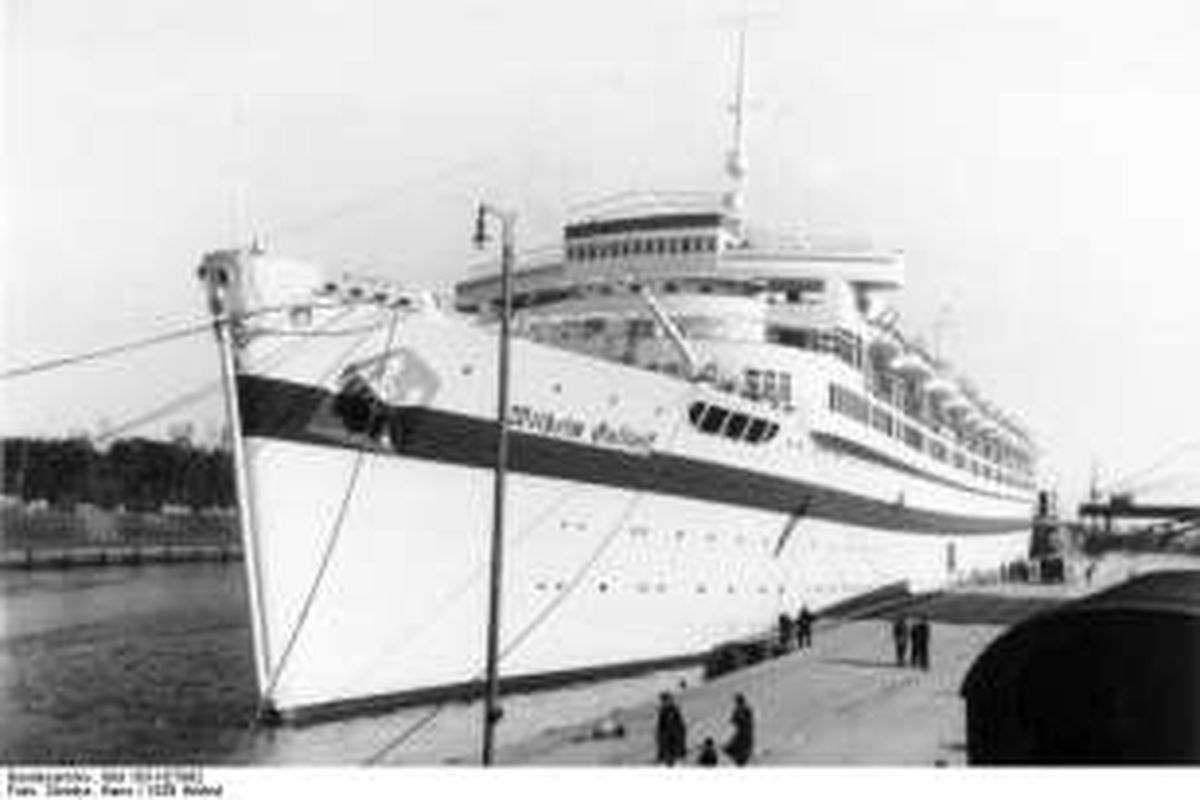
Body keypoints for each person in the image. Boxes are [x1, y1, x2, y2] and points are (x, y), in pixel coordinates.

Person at [655, 692, 688, 766]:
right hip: (668, 746)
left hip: (674, 746)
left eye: (667, 700)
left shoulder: (673, 711)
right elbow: (661, 732)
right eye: (664, 701)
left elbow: (680, 729)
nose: (665, 703)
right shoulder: (663, 713)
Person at [723, 693, 755, 766]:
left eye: (738, 701)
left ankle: (741, 755)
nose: (737, 703)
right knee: (737, 742)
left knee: (741, 743)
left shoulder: (745, 709)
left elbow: (747, 720)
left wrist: (738, 719)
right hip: (742, 731)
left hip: (745, 731)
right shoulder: (739, 709)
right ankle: (737, 753)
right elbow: (735, 719)